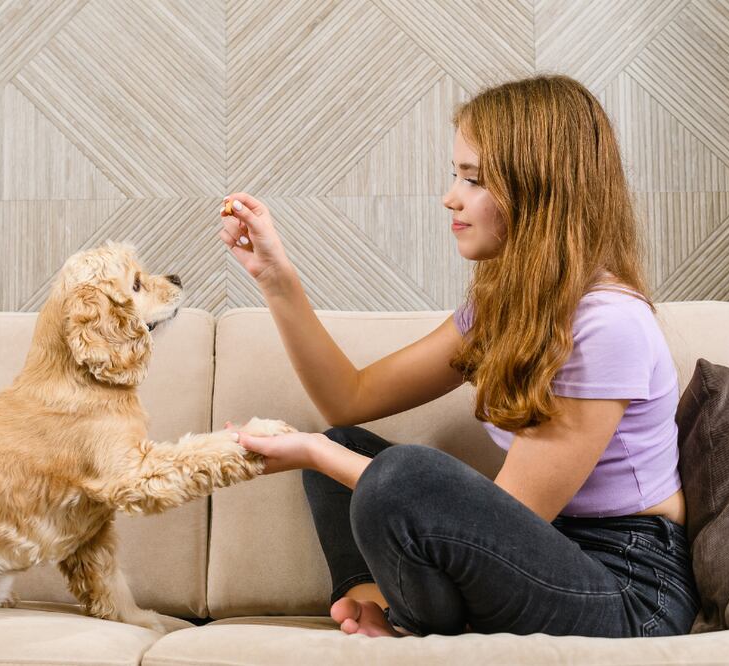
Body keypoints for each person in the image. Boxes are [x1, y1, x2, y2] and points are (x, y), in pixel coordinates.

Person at [214, 75, 700, 639]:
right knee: (347, 441)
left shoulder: (608, 324)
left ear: (538, 190)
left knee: (393, 475)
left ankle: (406, 619)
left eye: (472, 179)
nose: (451, 197)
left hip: (627, 590)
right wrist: (276, 278)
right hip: (543, 555)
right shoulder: (505, 306)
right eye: (456, 175)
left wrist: (314, 454)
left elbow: (514, 513)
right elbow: (350, 396)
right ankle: (379, 609)